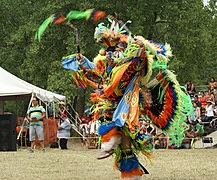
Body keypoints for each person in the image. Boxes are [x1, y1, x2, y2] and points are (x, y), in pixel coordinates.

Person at [37, 11, 193, 179]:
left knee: (124, 131)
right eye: (108, 50)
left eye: (116, 49)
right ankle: (130, 170)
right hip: (112, 103)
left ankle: (123, 159)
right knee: (122, 140)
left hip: (128, 102)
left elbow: (142, 60)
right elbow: (98, 74)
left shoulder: (130, 62)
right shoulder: (106, 64)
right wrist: (83, 61)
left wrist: (141, 45)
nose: (111, 53)